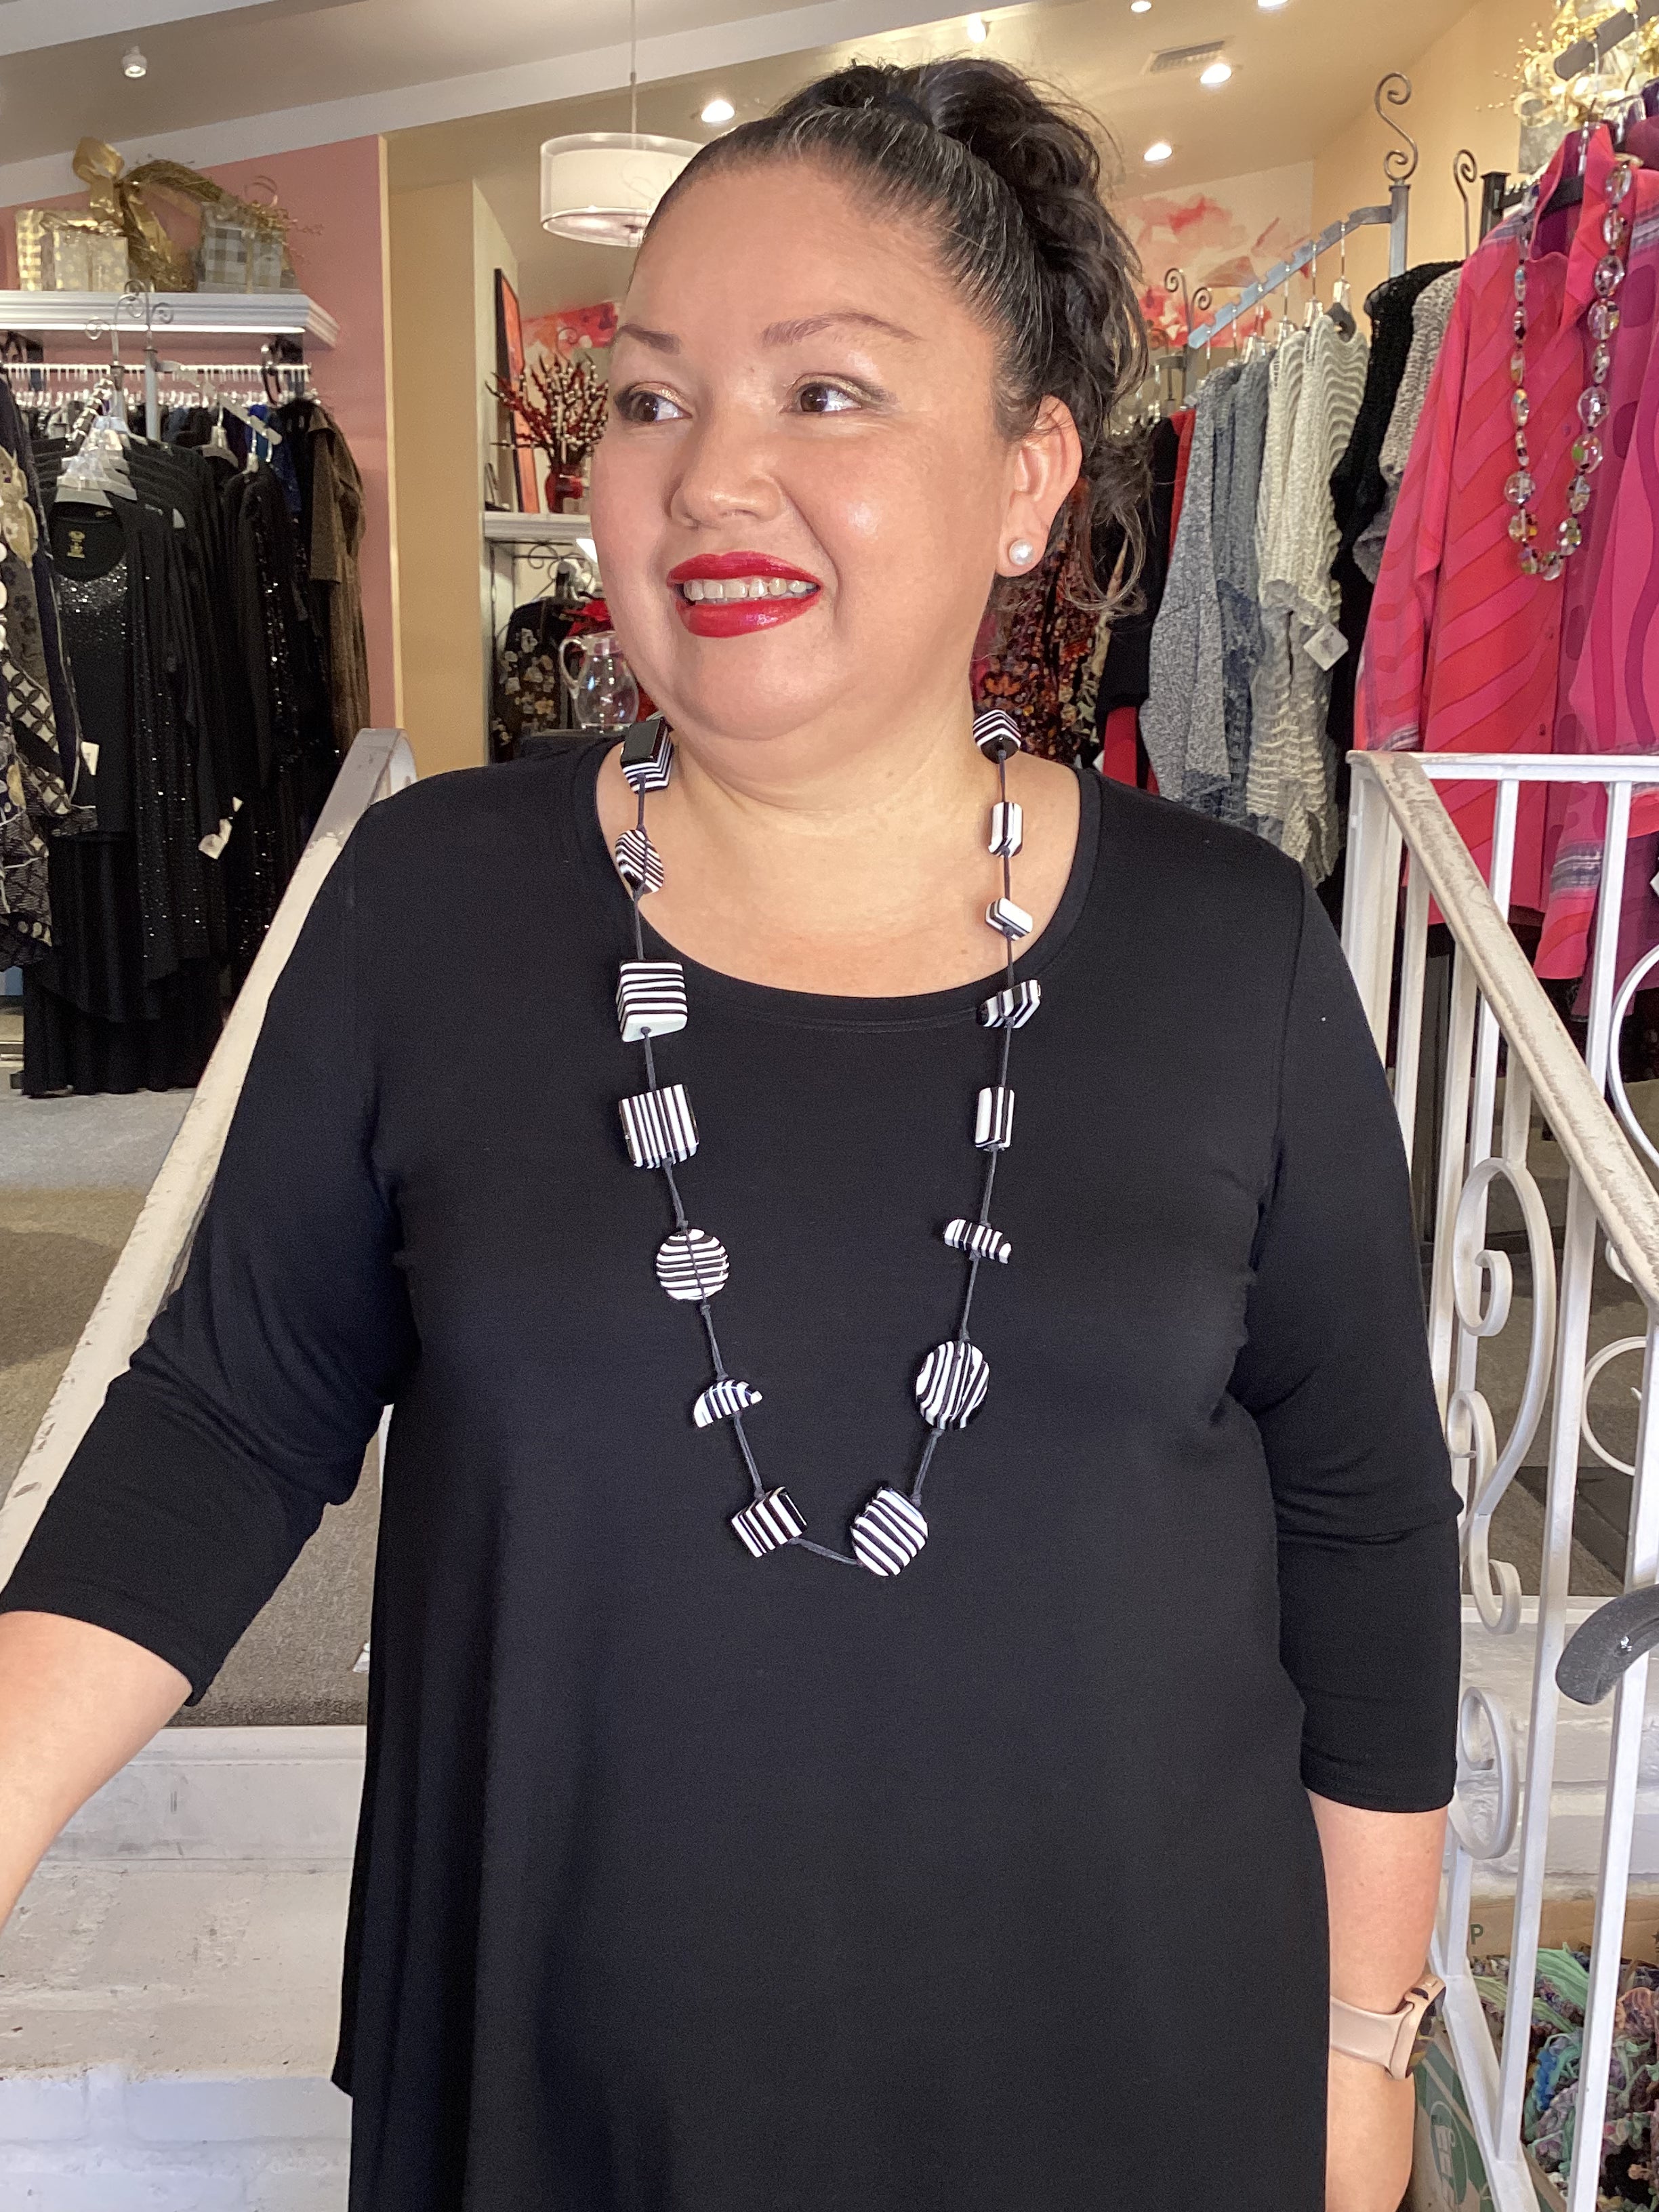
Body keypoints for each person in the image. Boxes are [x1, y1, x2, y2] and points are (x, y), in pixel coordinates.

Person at [0, 57, 1458, 2212]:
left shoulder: (1229, 954)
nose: (710, 480)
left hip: (1135, 2062)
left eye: (827, 393)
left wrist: (1360, 2036)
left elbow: (1366, 1525)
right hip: (577, 2072)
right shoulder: (432, 908)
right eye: (652, 399)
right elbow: (225, 1421)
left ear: (1031, 476)